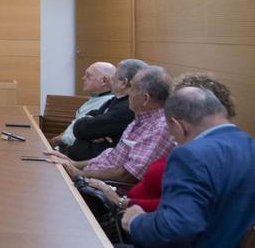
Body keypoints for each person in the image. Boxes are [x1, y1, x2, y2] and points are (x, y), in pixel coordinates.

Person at [84, 72, 238, 217]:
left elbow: (177, 214)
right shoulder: (198, 145)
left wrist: (121, 203)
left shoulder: (196, 155)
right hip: (126, 204)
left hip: (129, 215)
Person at [123, 86, 254, 246]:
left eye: (172, 134)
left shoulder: (190, 155)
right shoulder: (249, 145)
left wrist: (135, 221)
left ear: (178, 125)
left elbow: (176, 228)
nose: (175, 140)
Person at [46, 66, 174, 183]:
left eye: (132, 88)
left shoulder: (159, 128)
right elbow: (112, 157)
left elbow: (128, 174)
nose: (128, 93)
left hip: (104, 187)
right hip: (90, 176)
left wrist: (80, 174)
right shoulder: (140, 119)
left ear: (145, 99)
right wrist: (73, 164)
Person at [65, 58, 145, 161]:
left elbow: (80, 129)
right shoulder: (115, 100)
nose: (111, 79)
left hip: (89, 168)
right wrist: (94, 130)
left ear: (123, 83)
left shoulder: (127, 108)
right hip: (77, 160)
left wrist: (91, 129)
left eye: (114, 76)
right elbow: (83, 122)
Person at [50, 61, 117, 149]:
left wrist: (60, 139)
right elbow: (74, 125)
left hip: (72, 153)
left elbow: (86, 134)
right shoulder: (95, 98)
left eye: (88, 76)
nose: (83, 78)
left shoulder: (108, 103)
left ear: (104, 81)